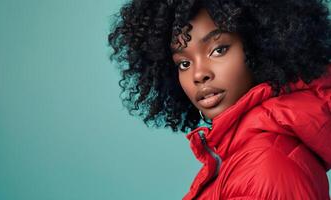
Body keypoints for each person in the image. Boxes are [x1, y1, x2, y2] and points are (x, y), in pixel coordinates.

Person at [108, 0, 331, 199]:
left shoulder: (264, 168)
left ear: (261, 46)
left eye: (218, 50)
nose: (198, 74)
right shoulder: (240, 154)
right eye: (184, 64)